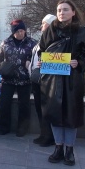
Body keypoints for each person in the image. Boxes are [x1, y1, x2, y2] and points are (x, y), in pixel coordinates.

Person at [38, 0, 85, 166]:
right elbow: (42, 50)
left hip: (72, 80)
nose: (62, 12)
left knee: (71, 115)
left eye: (65, 9)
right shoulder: (49, 31)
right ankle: (58, 147)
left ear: (73, 12)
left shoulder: (81, 31)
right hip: (52, 80)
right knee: (55, 115)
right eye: (59, 10)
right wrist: (42, 61)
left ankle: (69, 150)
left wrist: (79, 63)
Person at [0, 19, 36, 137]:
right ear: (13, 32)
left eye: (22, 30)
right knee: (4, 104)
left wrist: (29, 62)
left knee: (24, 105)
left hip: (25, 80)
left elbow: (37, 59)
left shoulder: (32, 43)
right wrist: (3, 69)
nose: (20, 33)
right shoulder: (5, 43)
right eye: (17, 31)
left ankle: (22, 129)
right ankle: (4, 127)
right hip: (8, 79)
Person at [28, 14, 56, 147]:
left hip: (46, 80)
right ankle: (43, 133)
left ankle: (49, 136)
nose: (41, 26)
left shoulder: (53, 39)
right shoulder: (43, 40)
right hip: (37, 79)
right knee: (40, 109)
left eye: (43, 24)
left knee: (46, 110)